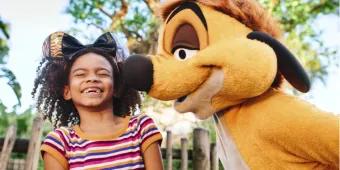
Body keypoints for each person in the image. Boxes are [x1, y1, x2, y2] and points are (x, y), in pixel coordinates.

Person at [32, 32, 163, 170]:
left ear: (117, 87)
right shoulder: (60, 142)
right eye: (81, 74)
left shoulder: (141, 128)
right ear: (67, 91)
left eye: (102, 73)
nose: (92, 79)